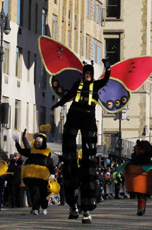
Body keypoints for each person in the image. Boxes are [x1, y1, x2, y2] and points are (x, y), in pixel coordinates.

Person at [51, 59, 110, 224]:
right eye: (86, 74)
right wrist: (58, 104)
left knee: (89, 156)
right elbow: (68, 96)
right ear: (83, 75)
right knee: (69, 143)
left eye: (90, 74)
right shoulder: (78, 85)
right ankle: (73, 207)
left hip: (88, 116)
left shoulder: (96, 85)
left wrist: (108, 68)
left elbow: (105, 80)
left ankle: (86, 210)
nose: (88, 76)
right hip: (75, 114)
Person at [13, 126, 56, 215]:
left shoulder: (47, 151)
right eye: (36, 142)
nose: (37, 143)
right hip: (33, 176)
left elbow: (50, 163)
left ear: (43, 142)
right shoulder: (32, 150)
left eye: (39, 142)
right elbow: (21, 151)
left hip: (44, 177)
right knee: (35, 192)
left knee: (44, 193)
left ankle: (44, 207)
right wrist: (17, 142)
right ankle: (35, 208)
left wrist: (52, 173)